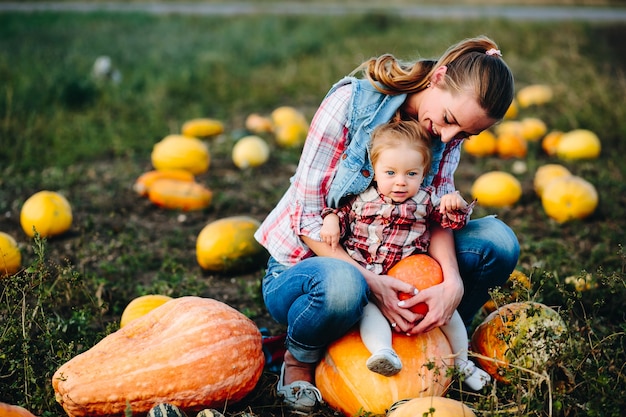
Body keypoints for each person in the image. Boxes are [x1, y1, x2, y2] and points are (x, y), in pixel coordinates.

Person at [255, 35, 519, 412]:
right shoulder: (351, 104)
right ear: (438, 77)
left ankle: (439, 344)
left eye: (464, 135)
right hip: (312, 266)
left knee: (498, 241)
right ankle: (299, 359)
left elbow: (436, 219)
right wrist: (371, 282)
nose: (447, 137)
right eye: (449, 122)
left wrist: (452, 283)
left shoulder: (446, 131)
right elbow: (307, 217)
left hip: (394, 256)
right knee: (344, 286)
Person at [319, 119, 490, 390]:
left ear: (423, 174)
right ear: (374, 172)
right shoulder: (361, 200)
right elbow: (339, 215)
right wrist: (330, 220)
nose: (400, 182)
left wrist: (455, 206)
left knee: (450, 316)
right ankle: (383, 352)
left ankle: (462, 363)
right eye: (390, 173)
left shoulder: (426, 200)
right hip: (372, 281)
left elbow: (450, 223)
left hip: (412, 282)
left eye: (411, 174)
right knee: (368, 313)